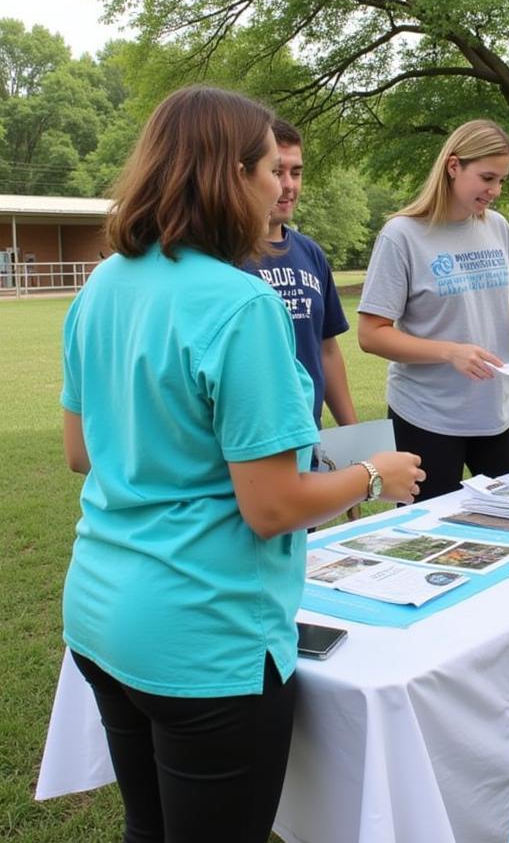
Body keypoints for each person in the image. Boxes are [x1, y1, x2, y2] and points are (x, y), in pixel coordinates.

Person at [60, 85, 423, 843]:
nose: (278, 188)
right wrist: (372, 475)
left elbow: (81, 451)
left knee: (148, 829)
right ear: (231, 175)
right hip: (204, 635)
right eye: (269, 168)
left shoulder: (101, 286)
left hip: (101, 609)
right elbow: (272, 506)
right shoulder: (241, 304)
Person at [357, 118, 509, 501]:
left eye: (501, 180)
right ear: (454, 166)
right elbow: (371, 334)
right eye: (487, 178)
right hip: (425, 416)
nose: (496, 190)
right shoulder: (401, 235)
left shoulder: (497, 227)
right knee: (433, 539)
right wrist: (450, 352)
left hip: (496, 413)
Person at [249, 118, 357, 432]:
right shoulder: (223, 256)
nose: (288, 185)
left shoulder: (310, 253)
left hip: (309, 434)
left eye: (296, 173)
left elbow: (327, 349)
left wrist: (353, 431)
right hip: (254, 439)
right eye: (276, 171)